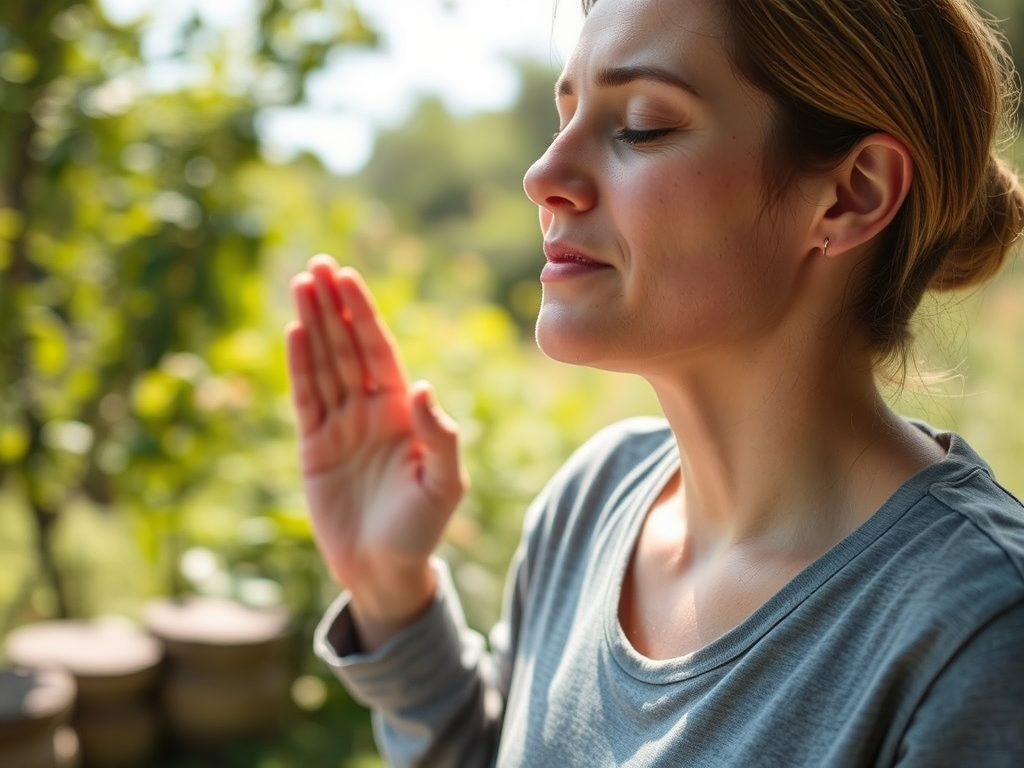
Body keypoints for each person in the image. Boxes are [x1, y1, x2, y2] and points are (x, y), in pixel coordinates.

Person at [285, 0, 1024, 765]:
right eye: (565, 116)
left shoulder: (981, 632)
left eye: (641, 126)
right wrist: (390, 589)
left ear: (852, 193)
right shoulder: (592, 502)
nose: (543, 177)